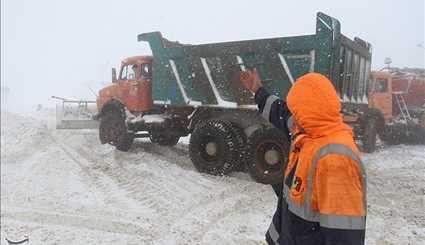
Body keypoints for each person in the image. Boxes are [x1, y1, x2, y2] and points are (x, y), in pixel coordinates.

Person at [240, 69, 367, 245]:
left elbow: (344, 237)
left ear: (308, 111)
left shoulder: (335, 160)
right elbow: (281, 113)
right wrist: (258, 90)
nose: (293, 118)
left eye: (296, 111)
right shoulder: (310, 131)